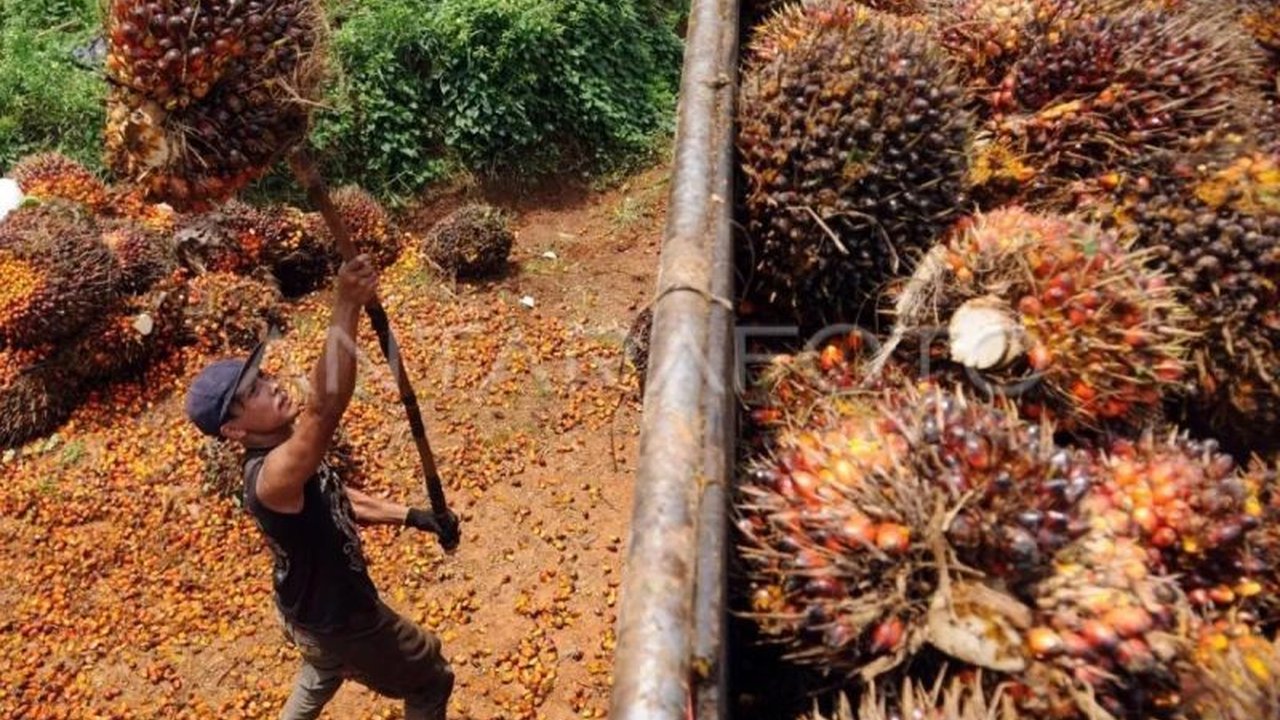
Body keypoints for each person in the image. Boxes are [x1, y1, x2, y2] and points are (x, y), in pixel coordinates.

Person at [184, 255, 455, 720]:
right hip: (343, 621)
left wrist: (414, 517)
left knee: (323, 669)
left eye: (264, 376)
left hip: (303, 615)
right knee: (432, 678)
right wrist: (345, 305)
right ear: (233, 432)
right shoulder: (272, 475)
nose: (272, 387)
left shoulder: (292, 457)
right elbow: (324, 411)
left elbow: (334, 496)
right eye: (253, 394)